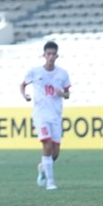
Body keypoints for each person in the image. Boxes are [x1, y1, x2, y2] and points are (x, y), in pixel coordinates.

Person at [20, 41, 71, 191]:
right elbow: (22, 85)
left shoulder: (62, 74)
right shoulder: (35, 72)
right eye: (48, 54)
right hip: (41, 115)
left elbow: (67, 94)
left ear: (57, 56)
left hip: (56, 116)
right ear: (44, 55)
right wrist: (25, 96)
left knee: (55, 153)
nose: (50, 57)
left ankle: (43, 168)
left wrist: (61, 93)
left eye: (53, 54)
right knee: (47, 146)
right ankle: (50, 182)